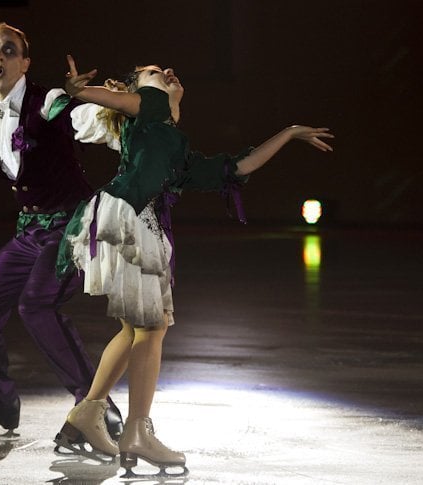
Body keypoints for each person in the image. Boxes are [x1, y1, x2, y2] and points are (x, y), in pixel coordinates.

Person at [53, 55, 334, 474]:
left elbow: (236, 167)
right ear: (140, 89)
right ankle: (136, 430)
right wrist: (81, 91)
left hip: (130, 216)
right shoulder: (150, 108)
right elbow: (120, 99)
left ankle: (87, 414)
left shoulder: (173, 144)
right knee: (153, 327)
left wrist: (289, 133)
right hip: (130, 214)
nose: (163, 73)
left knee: (136, 328)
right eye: (151, 72)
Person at [0, 21, 123, 438]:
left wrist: (109, 102)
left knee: (37, 305)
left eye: (8, 50)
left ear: (24, 62)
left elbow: (85, 117)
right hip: (31, 229)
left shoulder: (49, 102)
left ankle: (94, 405)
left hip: (74, 224)